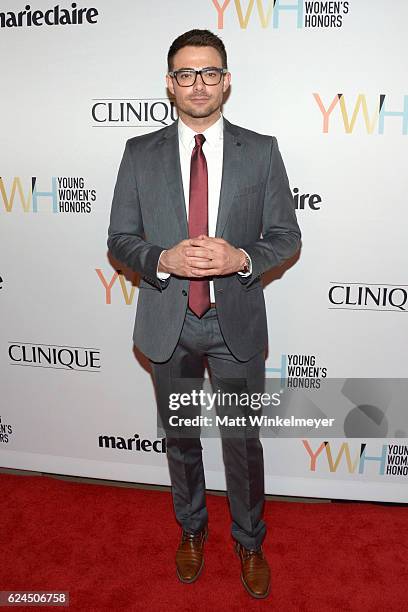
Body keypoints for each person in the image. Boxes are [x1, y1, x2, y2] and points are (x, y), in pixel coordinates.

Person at [107, 29, 301, 599]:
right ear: (170, 83)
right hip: (169, 323)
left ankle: (250, 539)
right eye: (186, 74)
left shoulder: (261, 150)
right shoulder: (138, 152)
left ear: (227, 80)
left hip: (234, 323)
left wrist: (242, 256)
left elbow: (287, 236)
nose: (198, 84)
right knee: (181, 438)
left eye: (209, 72)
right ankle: (192, 530)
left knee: (243, 442)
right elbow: (119, 239)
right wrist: (160, 258)